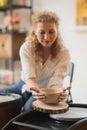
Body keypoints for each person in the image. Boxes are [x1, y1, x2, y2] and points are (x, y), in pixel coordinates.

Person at [0, 11, 70, 112]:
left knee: (28, 110)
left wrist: (55, 93)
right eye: (42, 32)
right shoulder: (26, 48)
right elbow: (30, 77)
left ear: (57, 31)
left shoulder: (63, 53)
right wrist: (35, 90)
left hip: (46, 92)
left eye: (51, 32)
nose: (47, 37)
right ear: (35, 32)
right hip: (23, 86)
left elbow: (57, 79)